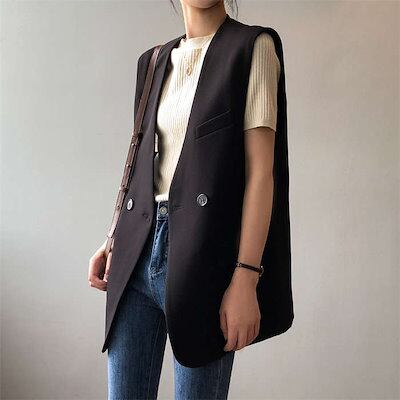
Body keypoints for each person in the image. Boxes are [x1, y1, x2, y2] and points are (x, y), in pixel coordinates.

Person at [88, 1, 284, 398]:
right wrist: (112, 238)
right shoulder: (153, 61)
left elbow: (261, 174)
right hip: (135, 252)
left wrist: (246, 276)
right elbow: (141, 163)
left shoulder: (252, 48)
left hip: (203, 254)